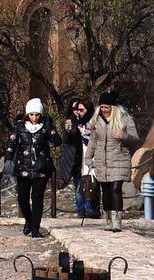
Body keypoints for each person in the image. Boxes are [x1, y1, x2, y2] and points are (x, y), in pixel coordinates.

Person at [84, 91, 143, 232]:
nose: (104, 110)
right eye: (102, 107)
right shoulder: (96, 120)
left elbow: (135, 139)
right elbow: (93, 140)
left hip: (119, 159)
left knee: (115, 189)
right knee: (105, 190)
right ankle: (108, 219)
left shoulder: (124, 119)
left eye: (107, 107)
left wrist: (123, 135)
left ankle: (117, 220)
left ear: (113, 107)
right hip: (101, 160)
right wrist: (88, 157)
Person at [3, 98, 61, 238]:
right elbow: (11, 144)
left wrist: (50, 128)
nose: (34, 118)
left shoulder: (45, 127)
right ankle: (28, 220)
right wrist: (8, 159)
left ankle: (35, 228)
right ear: (27, 114)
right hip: (23, 167)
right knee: (22, 199)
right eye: (31, 114)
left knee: (37, 199)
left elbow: (57, 141)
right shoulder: (19, 127)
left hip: (40, 168)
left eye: (37, 114)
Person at [57, 97, 98, 219]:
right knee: (79, 184)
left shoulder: (92, 121)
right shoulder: (70, 121)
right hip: (75, 159)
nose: (77, 111)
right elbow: (66, 141)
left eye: (80, 109)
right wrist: (68, 131)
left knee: (92, 184)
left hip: (91, 158)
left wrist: (85, 131)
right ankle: (81, 210)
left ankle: (92, 210)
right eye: (74, 109)